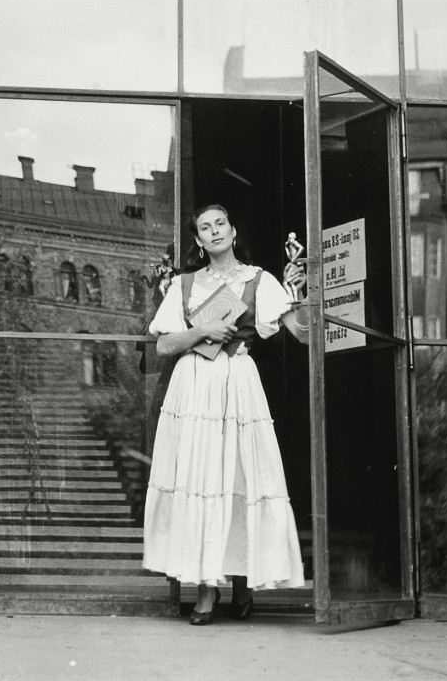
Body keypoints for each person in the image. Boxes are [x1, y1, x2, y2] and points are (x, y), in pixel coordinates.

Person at [142, 203, 309, 625]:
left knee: (238, 476)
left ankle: (243, 584)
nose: (214, 231)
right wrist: (201, 330)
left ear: (233, 232)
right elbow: (162, 345)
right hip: (194, 385)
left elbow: (302, 333)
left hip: (237, 380)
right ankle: (205, 590)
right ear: (198, 241)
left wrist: (303, 292)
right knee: (200, 479)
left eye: (221, 224)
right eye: (205, 227)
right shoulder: (183, 285)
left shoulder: (260, 280)